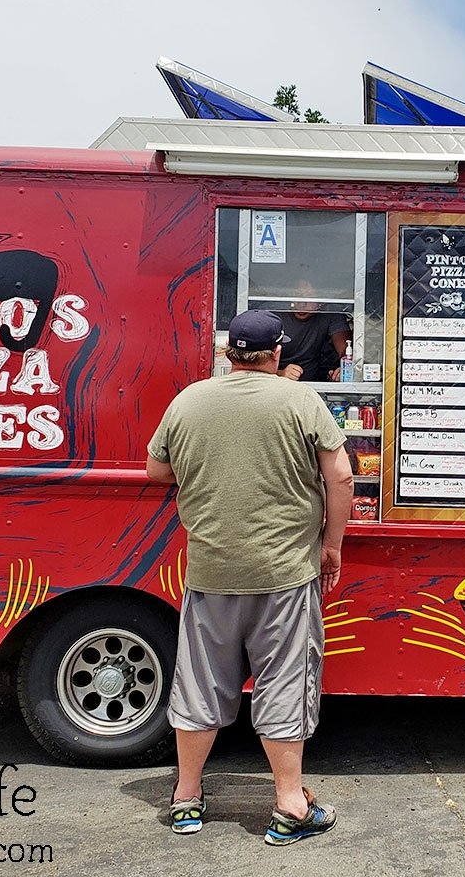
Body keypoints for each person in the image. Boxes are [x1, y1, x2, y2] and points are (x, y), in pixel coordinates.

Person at [145, 309, 353, 844]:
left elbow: (157, 470)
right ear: (277, 353)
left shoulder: (189, 400)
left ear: (227, 353)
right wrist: (331, 546)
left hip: (210, 572)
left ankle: (186, 799)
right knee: (283, 681)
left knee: (200, 682)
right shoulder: (299, 400)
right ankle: (289, 806)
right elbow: (341, 476)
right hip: (285, 572)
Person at [278, 285, 351, 382]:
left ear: (321, 301)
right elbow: (259, 362)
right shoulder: (275, 313)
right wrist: (280, 374)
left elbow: (346, 350)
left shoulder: (331, 312)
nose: (302, 304)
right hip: (274, 382)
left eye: (309, 297)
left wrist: (345, 368)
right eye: (297, 295)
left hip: (312, 384)